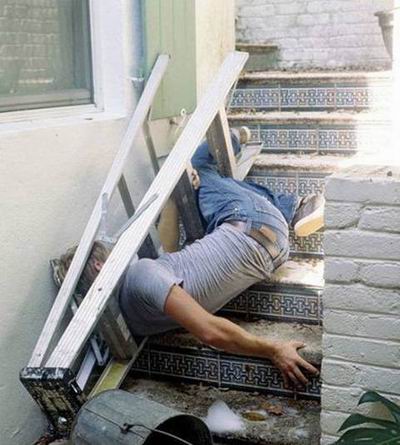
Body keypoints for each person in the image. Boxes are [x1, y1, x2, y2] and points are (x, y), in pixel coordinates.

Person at [58, 128, 324, 388]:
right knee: (198, 166)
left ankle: (250, 169)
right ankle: (293, 201)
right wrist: (273, 349)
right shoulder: (141, 275)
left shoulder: (131, 318)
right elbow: (210, 332)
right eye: (109, 250)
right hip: (256, 227)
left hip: (263, 246)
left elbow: (169, 254)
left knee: (199, 181)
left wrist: (175, 196)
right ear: (99, 265)